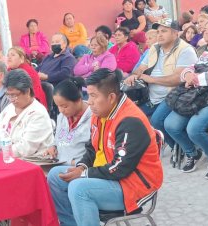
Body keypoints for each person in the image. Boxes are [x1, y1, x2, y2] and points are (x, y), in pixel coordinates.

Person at [47, 69, 163, 226]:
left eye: (94, 96)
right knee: (54, 175)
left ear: (111, 97)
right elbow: (92, 148)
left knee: (79, 188)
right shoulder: (99, 112)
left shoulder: (130, 121)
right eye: (88, 95)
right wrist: (82, 167)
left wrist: (84, 174)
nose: (90, 101)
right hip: (110, 175)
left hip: (133, 185)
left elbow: (120, 168)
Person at [124, 18, 198, 148]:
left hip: (175, 94)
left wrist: (151, 79)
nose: (159, 35)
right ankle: (174, 145)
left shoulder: (186, 50)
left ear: (175, 33)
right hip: (151, 96)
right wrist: (133, 76)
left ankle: (188, 149)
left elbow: (179, 79)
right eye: (158, 31)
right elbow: (140, 68)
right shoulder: (154, 48)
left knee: (156, 121)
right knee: (135, 116)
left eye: (164, 31)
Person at [164, 30, 208, 179]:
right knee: (170, 125)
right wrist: (187, 75)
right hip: (194, 97)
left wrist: (195, 79)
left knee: (194, 128)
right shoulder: (206, 55)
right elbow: (190, 67)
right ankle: (192, 152)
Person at [0, 69, 53, 158]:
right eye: (8, 95)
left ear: (27, 91)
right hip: (2, 157)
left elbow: (25, 148)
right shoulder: (9, 108)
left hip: (29, 162)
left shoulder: (38, 114)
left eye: (14, 95)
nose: (11, 99)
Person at [44, 77, 91, 165]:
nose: (61, 110)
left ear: (78, 100)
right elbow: (57, 139)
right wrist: (53, 146)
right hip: (58, 163)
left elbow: (93, 153)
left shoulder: (93, 119)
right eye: (58, 106)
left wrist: (75, 163)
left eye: (65, 106)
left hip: (78, 167)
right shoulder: (62, 116)